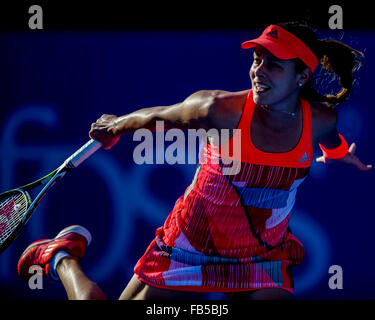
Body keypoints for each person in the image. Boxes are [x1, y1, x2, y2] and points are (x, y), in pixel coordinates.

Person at [17, 22, 371, 300]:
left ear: (303, 76)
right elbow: (159, 117)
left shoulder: (321, 120)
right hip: (189, 247)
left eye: (274, 65)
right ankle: (60, 256)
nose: (259, 71)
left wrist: (342, 155)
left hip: (263, 254)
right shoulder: (218, 110)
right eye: (256, 59)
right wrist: (115, 125)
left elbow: (331, 141)